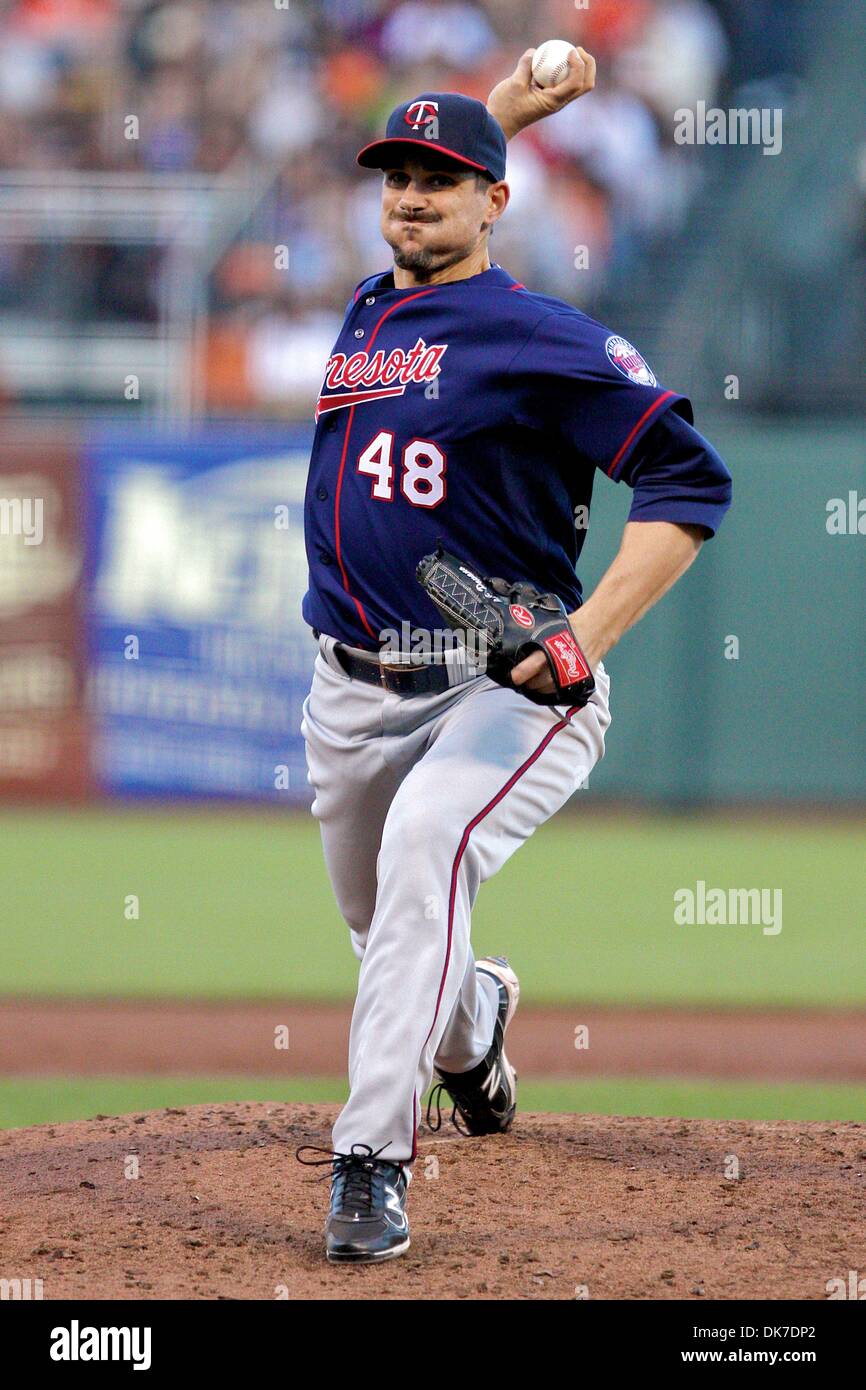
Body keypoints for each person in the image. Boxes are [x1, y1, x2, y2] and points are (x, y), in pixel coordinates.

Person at [296, 50, 732, 1263]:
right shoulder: (369, 304)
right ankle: (474, 1021)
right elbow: (450, 149)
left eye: (441, 180)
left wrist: (581, 641)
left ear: (497, 201)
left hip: (499, 687)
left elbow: (689, 480)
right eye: (396, 177)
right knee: (391, 932)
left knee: (429, 844)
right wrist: (494, 112)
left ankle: (368, 1162)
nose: (410, 196)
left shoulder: (537, 335)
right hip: (346, 691)